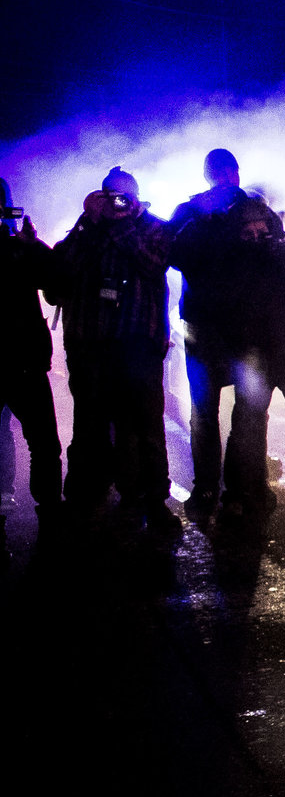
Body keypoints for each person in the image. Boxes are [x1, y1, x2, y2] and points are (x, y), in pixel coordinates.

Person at [175, 194, 285, 518]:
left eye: (261, 231)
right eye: (246, 232)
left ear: (271, 230)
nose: (254, 238)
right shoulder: (228, 265)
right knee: (247, 429)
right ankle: (244, 492)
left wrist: (283, 253)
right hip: (255, 361)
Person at [44, 169, 181, 538]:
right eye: (109, 196)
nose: (116, 203)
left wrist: (119, 225)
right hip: (90, 345)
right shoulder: (88, 229)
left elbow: (152, 263)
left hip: (138, 343)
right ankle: (87, 499)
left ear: (137, 199)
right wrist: (89, 223)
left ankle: (152, 500)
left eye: (123, 198)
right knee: (89, 427)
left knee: (146, 427)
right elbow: (58, 276)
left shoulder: (155, 227)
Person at [167, 148, 261, 519]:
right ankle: (216, 488)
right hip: (212, 325)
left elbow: (272, 251)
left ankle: (225, 488)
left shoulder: (250, 207)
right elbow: (172, 253)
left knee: (237, 411)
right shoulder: (192, 212)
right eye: (223, 172)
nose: (227, 178)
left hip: (236, 324)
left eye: (230, 172)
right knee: (214, 411)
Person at [0, 177, 63, 528]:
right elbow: (58, 284)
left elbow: (58, 285)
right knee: (42, 442)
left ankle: (50, 509)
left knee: (41, 442)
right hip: (24, 358)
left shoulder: (19, 249)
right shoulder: (18, 249)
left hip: (25, 358)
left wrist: (31, 246)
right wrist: (32, 246)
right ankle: (50, 511)